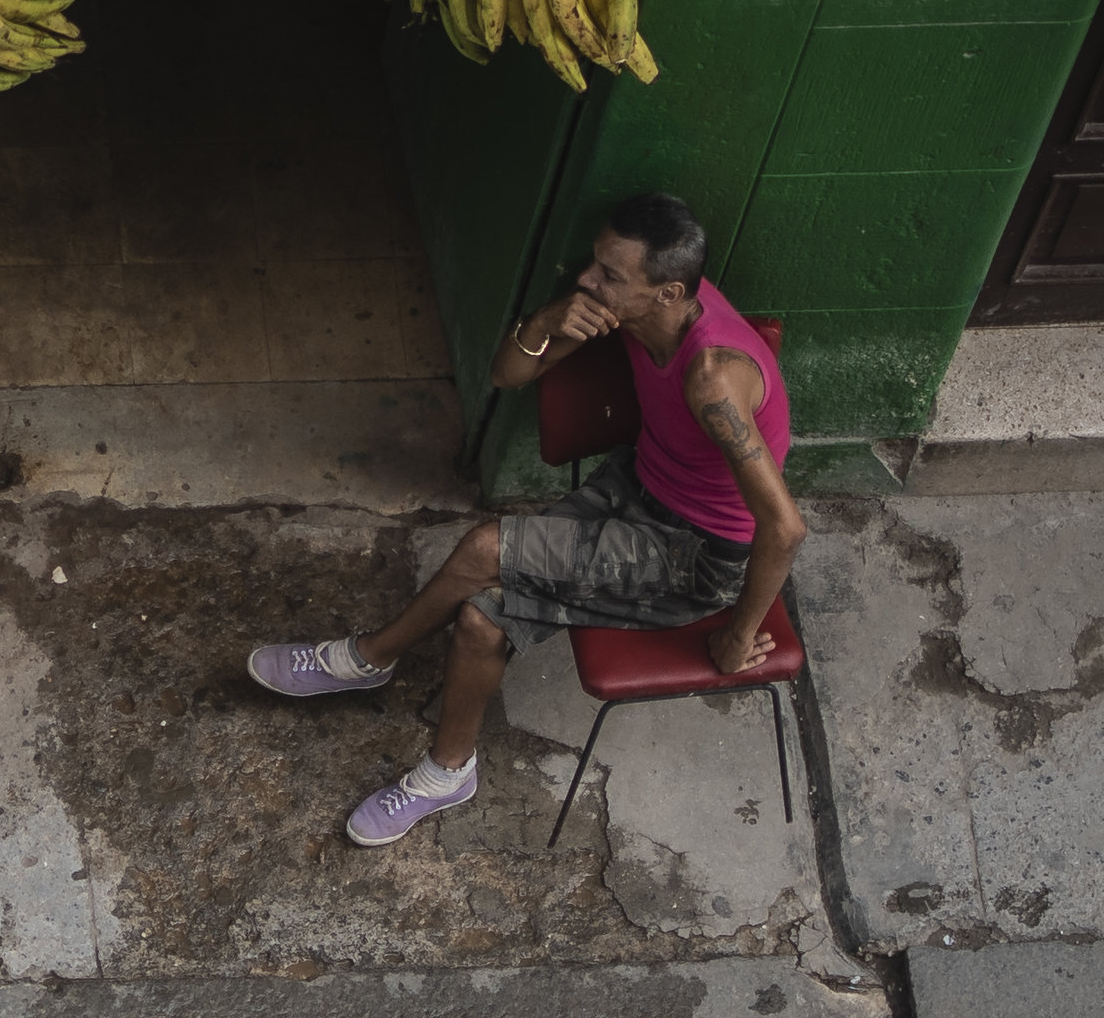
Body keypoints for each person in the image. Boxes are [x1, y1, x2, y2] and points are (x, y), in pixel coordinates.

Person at [248, 192, 805, 848]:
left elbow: (784, 527)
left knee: (486, 548)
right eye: (594, 265)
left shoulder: (713, 380)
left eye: (609, 276)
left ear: (669, 292)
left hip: (692, 553)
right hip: (637, 487)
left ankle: (369, 657)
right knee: (483, 618)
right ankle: (446, 773)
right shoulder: (633, 309)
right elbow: (508, 374)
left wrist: (737, 638)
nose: (589, 281)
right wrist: (550, 317)